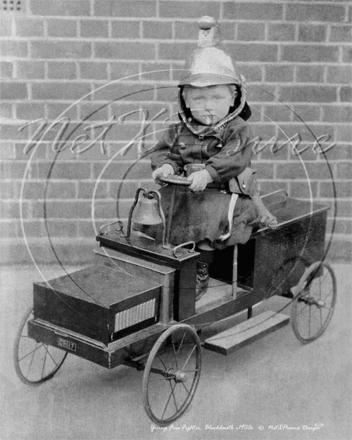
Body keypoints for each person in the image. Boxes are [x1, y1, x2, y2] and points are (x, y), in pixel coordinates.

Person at [150, 17, 277, 299]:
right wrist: (166, 166)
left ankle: (200, 270)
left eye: (216, 98)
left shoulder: (237, 129)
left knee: (207, 218)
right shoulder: (180, 128)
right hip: (187, 191)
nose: (207, 107)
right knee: (162, 211)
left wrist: (208, 173)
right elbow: (165, 150)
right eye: (198, 99)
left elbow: (236, 158)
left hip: (224, 191)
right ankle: (167, 261)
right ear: (185, 100)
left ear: (234, 97)